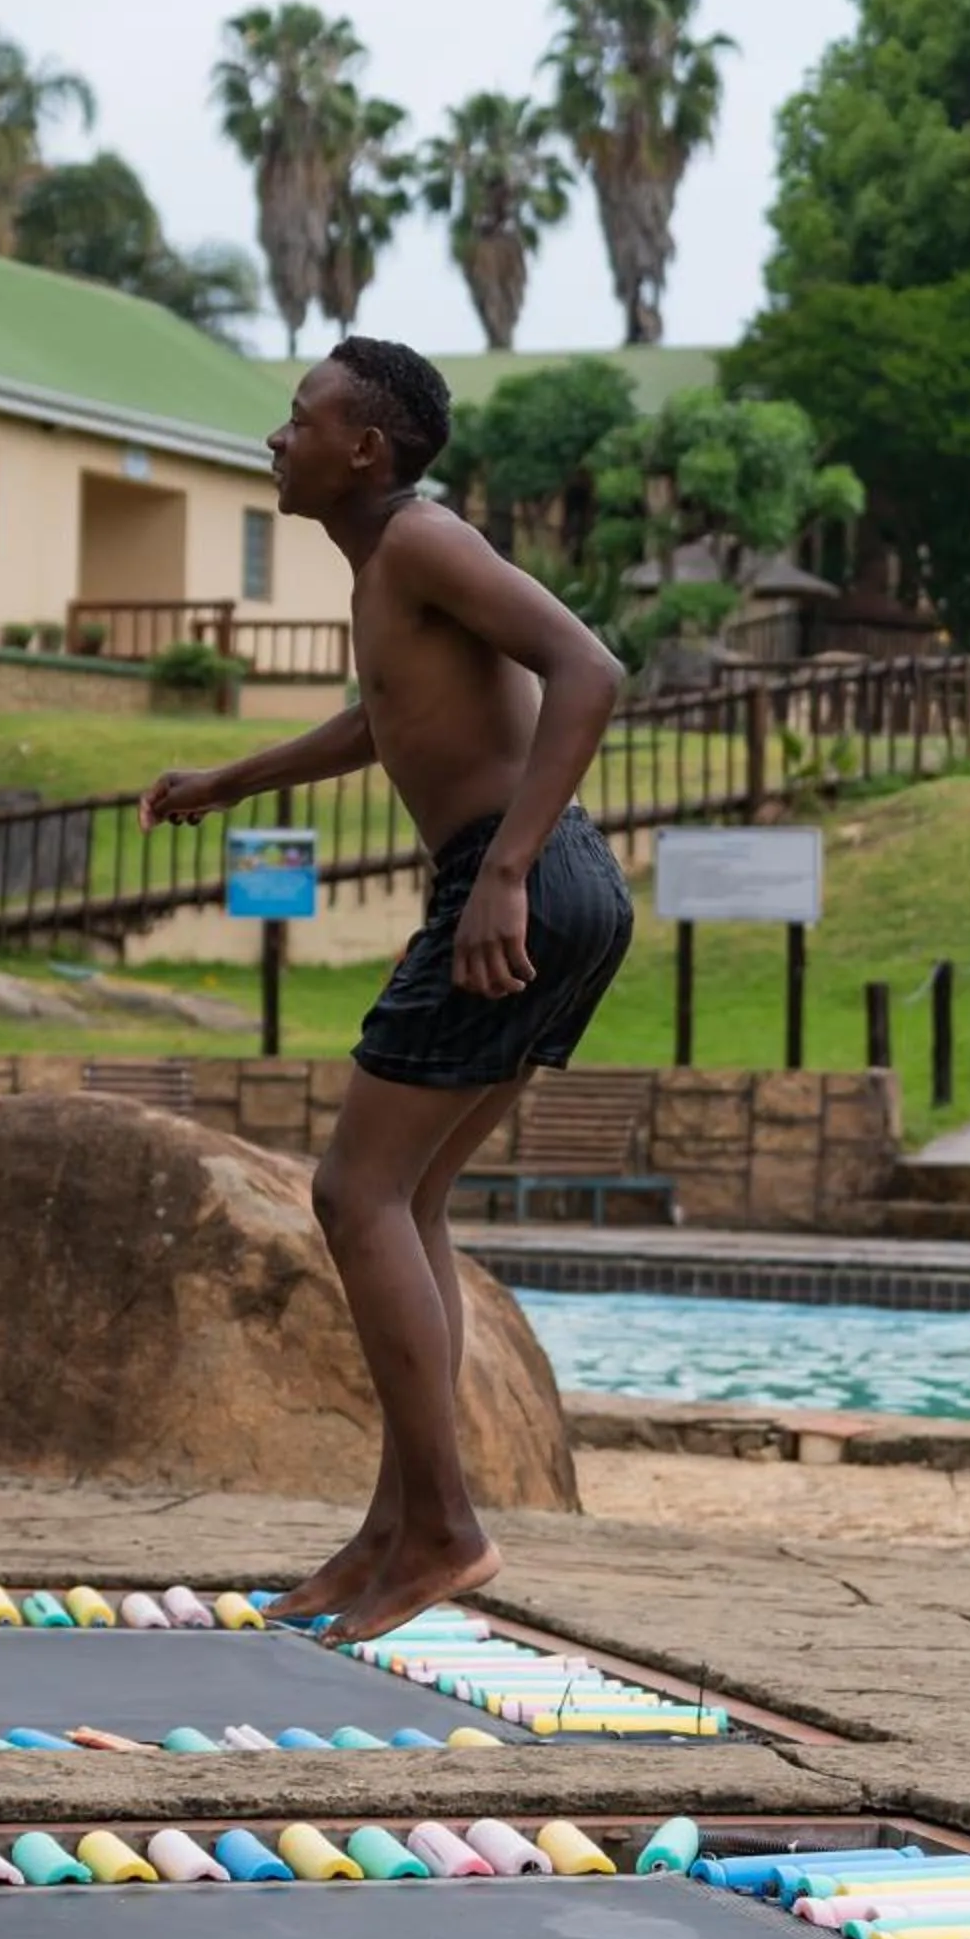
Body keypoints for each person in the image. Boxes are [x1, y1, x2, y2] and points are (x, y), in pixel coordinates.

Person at [141, 338, 630, 1642]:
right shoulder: (390, 570)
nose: (276, 437)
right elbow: (391, 719)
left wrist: (505, 874)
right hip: (554, 881)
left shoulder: (420, 543)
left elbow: (593, 670)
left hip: (520, 871)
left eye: (298, 419)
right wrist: (231, 780)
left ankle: (446, 1532)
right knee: (405, 1199)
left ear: (366, 448)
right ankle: (390, 1531)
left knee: (354, 1192)